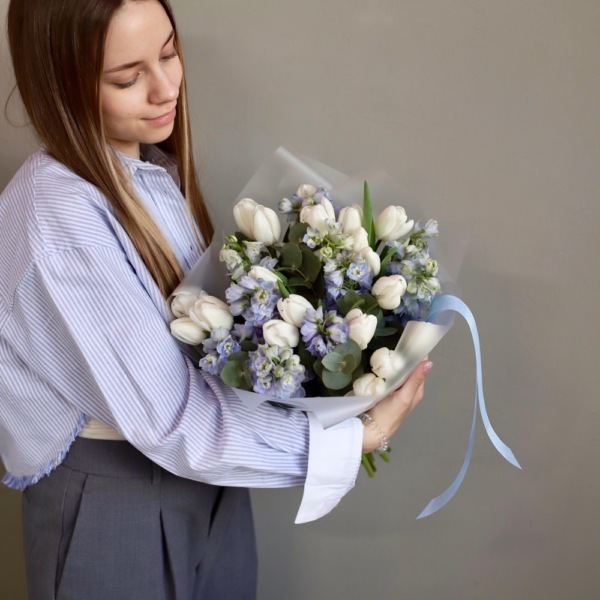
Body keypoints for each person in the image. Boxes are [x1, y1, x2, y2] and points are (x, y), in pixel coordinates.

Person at [0, 0, 432, 598]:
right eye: (128, 77)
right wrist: (352, 439)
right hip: (117, 498)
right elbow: (173, 419)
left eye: (170, 53)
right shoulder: (57, 214)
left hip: (207, 479)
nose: (165, 88)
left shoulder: (145, 169)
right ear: (60, 83)